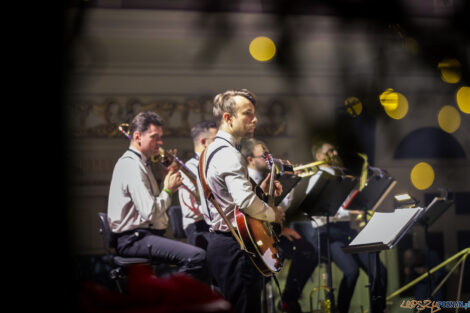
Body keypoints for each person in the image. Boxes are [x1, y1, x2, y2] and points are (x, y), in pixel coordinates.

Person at [196, 89, 285, 313]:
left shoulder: (211, 151)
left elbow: (229, 198)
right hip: (235, 247)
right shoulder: (229, 154)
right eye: (247, 113)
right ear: (228, 118)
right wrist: (274, 213)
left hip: (219, 244)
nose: (254, 119)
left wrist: (260, 191)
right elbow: (245, 202)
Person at [107, 111, 208, 282]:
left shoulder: (140, 164)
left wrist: (164, 179)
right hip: (134, 240)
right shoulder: (131, 165)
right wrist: (168, 190)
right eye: (154, 137)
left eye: (160, 137)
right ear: (138, 136)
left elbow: (152, 204)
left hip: (142, 237)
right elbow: (150, 212)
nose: (160, 143)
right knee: (197, 257)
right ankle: (167, 297)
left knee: (198, 256)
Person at [293, 141, 387, 313]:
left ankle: (379, 309)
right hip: (327, 232)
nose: (335, 153)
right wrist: (347, 212)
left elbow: (347, 206)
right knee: (352, 272)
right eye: (330, 151)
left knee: (380, 271)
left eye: (335, 149)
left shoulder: (342, 176)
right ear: (319, 157)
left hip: (345, 230)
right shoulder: (317, 178)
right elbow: (314, 211)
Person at [241, 138, 317, 313]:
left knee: (307, 251)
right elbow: (254, 213)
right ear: (250, 159)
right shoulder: (246, 180)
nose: (269, 160)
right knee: (263, 272)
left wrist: (290, 184)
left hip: (274, 233)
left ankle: (288, 300)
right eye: (263, 156)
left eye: (269, 156)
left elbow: (282, 209)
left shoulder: (271, 176)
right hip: (256, 236)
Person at [178, 120, 217, 249]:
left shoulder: (214, 166)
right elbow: (191, 209)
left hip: (215, 223)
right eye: (215, 140)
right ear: (203, 142)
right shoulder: (188, 169)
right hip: (198, 227)